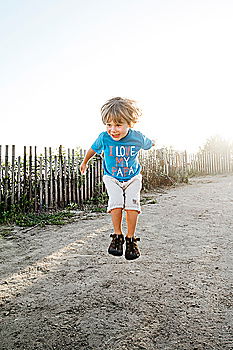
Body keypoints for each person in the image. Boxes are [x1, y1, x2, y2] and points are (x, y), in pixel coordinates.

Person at [80, 97, 155, 260]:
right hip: (112, 177)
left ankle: (131, 239)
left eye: (118, 125)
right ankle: (117, 235)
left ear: (130, 123)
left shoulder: (138, 137)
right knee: (115, 202)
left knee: (132, 205)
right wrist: (85, 162)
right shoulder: (104, 137)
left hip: (133, 178)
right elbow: (92, 149)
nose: (113, 129)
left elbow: (150, 143)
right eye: (109, 124)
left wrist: (154, 142)